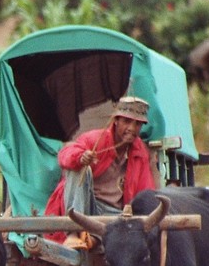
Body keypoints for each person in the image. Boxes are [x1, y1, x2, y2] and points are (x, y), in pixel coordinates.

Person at [44, 96, 157, 249]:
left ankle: (93, 239)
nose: (132, 128)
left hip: (113, 213)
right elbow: (65, 154)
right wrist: (80, 157)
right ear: (116, 121)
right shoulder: (95, 139)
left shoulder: (140, 152)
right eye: (127, 121)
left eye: (137, 124)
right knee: (78, 169)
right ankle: (73, 233)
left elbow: (146, 191)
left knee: (126, 226)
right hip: (85, 206)